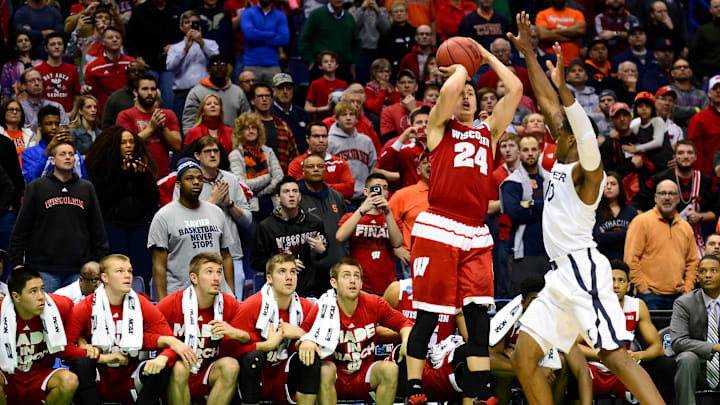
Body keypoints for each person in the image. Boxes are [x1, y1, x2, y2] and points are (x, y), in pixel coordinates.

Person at [508, 13, 664, 404]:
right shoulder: (561, 154)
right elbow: (547, 104)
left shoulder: (589, 172)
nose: (554, 123)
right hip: (558, 276)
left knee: (616, 357)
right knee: (525, 361)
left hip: (582, 269)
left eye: (565, 125)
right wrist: (528, 52)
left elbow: (581, 128)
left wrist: (567, 92)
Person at [404, 23, 522, 404]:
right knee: (429, 313)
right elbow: (452, 90)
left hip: (474, 229)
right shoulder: (439, 128)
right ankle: (414, 388)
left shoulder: (488, 133)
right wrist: (460, 71)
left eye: (473, 94)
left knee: (477, 315)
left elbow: (516, 89)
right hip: (439, 224)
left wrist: (487, 58)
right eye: (463, 93)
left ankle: (480, 391)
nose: (467, 97)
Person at [65, 253, 195, 405]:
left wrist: (162, 357)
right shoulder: (85, 307)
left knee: (161, 365)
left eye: (130, 271)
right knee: (81, 363)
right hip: (97, 375)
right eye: (120, 271)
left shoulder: (141, 304)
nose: (127, 276)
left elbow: (171, 341)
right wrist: (101, 356)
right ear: (105, 278)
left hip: (130, 375)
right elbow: (64, 348)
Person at [299, 258, 413, 404]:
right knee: (324, 370)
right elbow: (301, 337)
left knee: (390, 369)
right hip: (334, 377)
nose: (352, 280)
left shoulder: (374, 303)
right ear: (334, 283)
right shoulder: (323, 308)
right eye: (346, 275)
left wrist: (406, 338)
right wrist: (306, 341)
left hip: (364, 374)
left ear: (361, 283)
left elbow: (405, 323)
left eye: (356, 276)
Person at [10, 138, 107, 293]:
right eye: (62, 154)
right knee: (47, 315)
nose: (68, 157)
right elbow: (22, 228)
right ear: (53, 160)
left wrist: (99, 261)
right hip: (43, 268)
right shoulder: (37, 187)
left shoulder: (86, 188)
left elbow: (97, 229)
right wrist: (17, 262)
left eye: (71, 154)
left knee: (77, 315)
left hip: (79, 268)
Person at [573, 259, 673, 402]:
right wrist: (603, 356)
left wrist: (640, 355)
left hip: (623, 367)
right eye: (611, 280)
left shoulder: (637, 306)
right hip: (593, 367)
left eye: (621, 281)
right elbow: (571, 345)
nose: (615, 285)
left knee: (664, 365)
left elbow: (658, 348)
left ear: (628, 286)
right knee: (569, 366)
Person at [157, 252, 248, 405]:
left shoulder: (230, 304)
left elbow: (250, 336)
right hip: (176, 374)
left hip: (209, 372)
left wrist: (234, 332)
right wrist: (172, 344)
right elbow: (148, 333)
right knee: (180, 367)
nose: (216, 278)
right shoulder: (171, 304)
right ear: (194, 278)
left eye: (219, 272)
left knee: (230, 366)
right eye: (209, 272)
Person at [170, 136, 252, 296]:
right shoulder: (185, 182)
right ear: (197, 156)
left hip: (231, 255)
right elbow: (178, 221)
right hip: (196, 257)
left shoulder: (231, 180)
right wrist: (212, 202)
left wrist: (229, 203)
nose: (213, 155)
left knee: (233, 307)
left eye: (216, 151)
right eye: (208, 151)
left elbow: (247, 220)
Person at [490, 276, 590, 405]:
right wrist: (530, 368)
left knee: (562, 363)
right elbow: (490, 359)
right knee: (502, 372)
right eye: (535, 300)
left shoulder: (558, 320)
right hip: (513, 371)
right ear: (523, 303)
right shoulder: (510, 319)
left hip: (544, 372)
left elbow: (582, 370)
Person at [235, 253, 319, 404]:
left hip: (284, 372)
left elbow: (324, 348)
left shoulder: (305, 306)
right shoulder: (251, 306)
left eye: (293, 272)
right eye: (282, 271)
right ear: (269, 279)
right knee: (252, 358)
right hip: (254, 374)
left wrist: (302, 334)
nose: (289, 277)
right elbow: (226, 350)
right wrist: (265, 345)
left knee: (310, 355)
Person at [148, 157, 236, 300]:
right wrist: (163, 304)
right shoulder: (164, 216)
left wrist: (231, 294)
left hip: (216, 294)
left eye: (199, 178)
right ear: (178, 184)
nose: (196, 182)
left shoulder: (216, 212)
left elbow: (226, 256)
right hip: (180, 295)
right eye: (189, 178)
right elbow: (159, 266)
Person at [85, 126, 159, 285]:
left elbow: (153, 200)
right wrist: (121, 175)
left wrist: (142, 177)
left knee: (140, 273)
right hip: (114, 228)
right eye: (123, 142)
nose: (128, 145)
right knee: (116, 272)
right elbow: (102, 201)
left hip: (139, 229)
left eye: (131, 142)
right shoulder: (104, 170)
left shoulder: (143, 169)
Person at [0, 267, 77, 405]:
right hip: (8, 376)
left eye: (42, 289)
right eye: (33, 291)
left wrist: (80, 340)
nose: (42, 296)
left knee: (69, 380)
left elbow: (78, 313)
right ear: (16, 297)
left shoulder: (55, 306)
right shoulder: (1, 313)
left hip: (40, 374)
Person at [632, 140, 718, 253]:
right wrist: (651, 224)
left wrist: (700, 216)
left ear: (696, 157)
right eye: (681, 153)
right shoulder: (659, 179)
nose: (685, 156)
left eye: (689, 153)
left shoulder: (705, 181)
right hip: (661, 240)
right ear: (675, 157)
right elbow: (636, 205)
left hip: (693, 241)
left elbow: (716, 212)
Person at [625, 179, 699, 310]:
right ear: (655, 198)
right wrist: (643, 288)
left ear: (678, 199)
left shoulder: (686, 227)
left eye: (671, 194)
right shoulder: (641, 222)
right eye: (663, 193)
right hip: (650, 297)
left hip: (679, 297)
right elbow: (631, 259)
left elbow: (693, 262)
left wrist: (687, 290)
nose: (667, 197)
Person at [250, 177, 328, 297]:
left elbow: (325, 255)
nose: (291, 195)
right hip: (278, 291)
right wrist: (284, 265)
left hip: (309, 290)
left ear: (300, 196)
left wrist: (322, 251)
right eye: (286, 192)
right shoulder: (266, 227)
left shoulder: (314, 222)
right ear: (277, 197)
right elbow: (256, 262)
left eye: (295, 191)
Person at [500, 135, 551, 296]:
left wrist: (532, 204)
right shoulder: (511, 183)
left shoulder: (552, 180)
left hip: (550, 251)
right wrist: (546, 208)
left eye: (534, 149)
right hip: (523, 253)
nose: (530, 153)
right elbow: (515, 214)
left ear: (540, 152)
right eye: (526, 150)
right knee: (523, 301)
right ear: (519, 153)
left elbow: (559, 210)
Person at [336, 173, 403, 295]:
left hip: (387, 285)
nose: (381, 191)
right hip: (359, 285)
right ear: (366, 192)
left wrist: (387, 212)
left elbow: (397, 243)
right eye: (377, 187)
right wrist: (362, 210)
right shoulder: (351, 217)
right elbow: (340, 237)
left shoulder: (393, 219)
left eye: (385, 188)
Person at [669, 253, 720, 405]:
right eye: (703, 271)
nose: (708, 275)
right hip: (698, 365)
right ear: (697, 277)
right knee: (687, 358)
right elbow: (678, 341)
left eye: (713, 270)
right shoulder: (684, 303)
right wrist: (714, 347)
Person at [116, 74, 182, 178]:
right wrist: (151, 128)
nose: (150, 93)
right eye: (145, 89)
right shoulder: (125, 115)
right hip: (135, 175)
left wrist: (163, 128)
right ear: (135, 92)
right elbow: (126, 146)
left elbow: (177, 146)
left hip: (163, 176)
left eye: (153, 89)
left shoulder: (167, 114)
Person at [298, 154, 349, 287]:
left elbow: (345, 229)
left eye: (320, 166)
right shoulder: (296, 198)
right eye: (311, 166)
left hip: (336, 268)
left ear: (325, 171)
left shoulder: (337, 197)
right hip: (308, 272)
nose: (316, 169)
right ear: (303, 171)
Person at [126, 0, 183, 110]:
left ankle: (168, 125)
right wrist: (137, 56)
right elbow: (130, 37)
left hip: (168, 65)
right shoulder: (139, 10)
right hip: (146, 64)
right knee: (146, 98)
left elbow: (184, 37)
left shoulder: (177, 11)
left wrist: (174, 46)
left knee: (169, 102)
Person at [166, 10, 220, 122]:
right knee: (182, 128)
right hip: (182, 94)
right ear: (181, 27)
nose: (190, 25)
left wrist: (201, 43)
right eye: (187, 22)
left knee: (207, 126)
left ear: (199, 26)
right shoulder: (175, 48)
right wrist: (185, 49)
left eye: (194, 22)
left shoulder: (211, 44)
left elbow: (217, 62)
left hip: (206, 93)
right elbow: (171, 68)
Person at [228, 112, 284, 217]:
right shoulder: (235, 155)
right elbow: (242, 185)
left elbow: (279, 178)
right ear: (240, 132)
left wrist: (258, 192)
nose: (251, 131)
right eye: (246, 128)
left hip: (273, 203)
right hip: (251, 207)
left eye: (254, 127)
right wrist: (268, 177)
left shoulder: (268, 151)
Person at [182, 55, 250, 134]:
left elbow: (247, 119)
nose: (219, 67)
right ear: (208, 70)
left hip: (234, 142)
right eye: (215, 64)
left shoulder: (238, 92)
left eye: (223, 64)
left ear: (228, 69)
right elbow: (189, 123)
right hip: (204, 143)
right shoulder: (196, 92)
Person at [287, 122, 355, 200]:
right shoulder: (297, 164)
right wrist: (336, 195)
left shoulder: (340, 163)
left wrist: (317, 186)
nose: (321, 140)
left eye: (324, 136)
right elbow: (298, 190)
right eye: (316, 136)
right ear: (307, 139)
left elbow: (349, 189)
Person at [298, 0, 360, 83]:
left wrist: (353, 63)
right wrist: (310, 61)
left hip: (343, 69)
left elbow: (356, 42)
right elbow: (304, 39)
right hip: (321, 69)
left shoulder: (349, 17)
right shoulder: (317, 15)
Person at [21, 105, 85, 184]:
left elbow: (83, 179)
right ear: (40, 126)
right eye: (49, 124)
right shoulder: (29, 153)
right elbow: (32, 180)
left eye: (57, 124)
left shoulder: (71, 152)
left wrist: (73, 149)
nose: (54, 127)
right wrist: (49, 149)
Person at [328, 101, 378, 202]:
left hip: (364, 197)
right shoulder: (329, 142)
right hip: (340, 198)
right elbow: (327, 173)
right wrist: (335, 196)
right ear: (336, 119)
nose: (348, 118)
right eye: (343, 115)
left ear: (356, 118)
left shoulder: (366, 141)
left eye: (352, 114)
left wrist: (371, 194)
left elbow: (373, 170)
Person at [84, 27, 136, 118]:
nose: (114, 40)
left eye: (117, 37)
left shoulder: (132, 63)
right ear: (103, 42)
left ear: (122, 41)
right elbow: (91, 95)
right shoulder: (94, 68)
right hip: (106, 115)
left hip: (130, 112)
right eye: (110, 37)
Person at [248, 83, 299, 173]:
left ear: (272, 100)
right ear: (252, 101)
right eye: (260, 96)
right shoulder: (246, 125)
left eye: (267, 96)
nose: (264, 99)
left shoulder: (282, 125)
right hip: (255, 177)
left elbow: (293, 156)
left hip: (281, 177)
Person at [376, 105, 430, 189]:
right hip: (411, 195)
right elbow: (383, 165)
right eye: (419, 122)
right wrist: (403, 137)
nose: (424, 125)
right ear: (411, 126)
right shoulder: (400, 145)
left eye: (427, 122)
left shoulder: (441, 145)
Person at [65, 4, 118, 86]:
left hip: (106, 86)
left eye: (107, 18)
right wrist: (77, 29)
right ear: (93, 21)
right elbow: (69, 53)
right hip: (85, 87)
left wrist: (106, 35)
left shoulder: (114, 43)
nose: (103, 20)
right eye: (100, 17)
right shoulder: (85, 42)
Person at [240, 0, 289, 84]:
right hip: (251, 64)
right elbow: (250, 35)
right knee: (250, 95)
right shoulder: (247, 13)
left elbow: (284, 39)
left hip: (273, 64)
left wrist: (257, 34)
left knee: (275, 95)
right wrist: (273, 33)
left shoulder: (280, 15)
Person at [594, 171, 637, 261]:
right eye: (606, 185)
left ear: (620, 188)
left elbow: (634, 237)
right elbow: (599, 239)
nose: (609, 187)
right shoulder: (596, 212)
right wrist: (624, 233)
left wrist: (607, 235)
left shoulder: (631, 212)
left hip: (627, 260)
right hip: (604, 261)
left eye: (613, 184)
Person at [35, 32, 81, 113]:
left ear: (63, 47)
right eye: (53, 44)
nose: (57, 47)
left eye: (59, 44)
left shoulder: (72, 70)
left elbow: (77, 96)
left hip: (67, 118)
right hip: (45, 118)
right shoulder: (37, 70)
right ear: (46, 48)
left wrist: (72, 113)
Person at [688, 74, 720, 182]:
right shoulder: (699, 119)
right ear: (709, 93)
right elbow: (695, 153)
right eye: (715, 88)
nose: (718, 91)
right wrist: (700, 179)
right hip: (710, 180)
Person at [18, 68, 69, 133]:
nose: (37, 83)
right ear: (23, 86)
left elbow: (65, 128)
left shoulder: (56, 106)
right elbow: (20, 132)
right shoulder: (19, 108)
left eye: (39, 80)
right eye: (32, 81)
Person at [271, 73, 312, 154]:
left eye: (288, 88)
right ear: (273, 90)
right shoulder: (268, 114)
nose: (285, 91)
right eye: (281, 88)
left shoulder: (303, 114)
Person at [101, 61, 147, 129]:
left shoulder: (152, 97)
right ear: (127, 74)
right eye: (133, 71)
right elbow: (106, 127)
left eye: (140, 71)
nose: (137, 74)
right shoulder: (115, 99)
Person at [376, 1, 415, 80]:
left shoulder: (414, 32)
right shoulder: (386, 35)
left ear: (407, 14)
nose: (399, 14)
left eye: (401, 11)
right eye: (396, 12)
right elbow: (383, 56)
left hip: (412, 70)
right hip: (393, 72)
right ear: (391, 15)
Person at [304, 51, 348, 121]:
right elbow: (307, 108)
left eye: (332, 61)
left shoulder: (343, 84)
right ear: (320, 66)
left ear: (337, 65)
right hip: (321, 122)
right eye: (326, 61)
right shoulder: (316, 84)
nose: (329, 63)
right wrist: (326, 108)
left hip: (339, 121)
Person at [1, 32, 42, 103]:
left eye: (26, 40)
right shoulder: (8, 66)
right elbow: (6, 91)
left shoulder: (40, 63)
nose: (24, 42)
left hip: (38, 102)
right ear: (15, 47)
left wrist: (28, 64)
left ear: (31, 45)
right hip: (17, 104)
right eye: (20, 41)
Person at [688, 0, 720, 82]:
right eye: (716, 7)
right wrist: (701, 74)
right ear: (710, 10)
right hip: (711, 76)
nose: (719, 9)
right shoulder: (703, 30)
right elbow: (693, 56)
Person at [0, 99, 37, 165]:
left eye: (17, 110)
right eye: (11, 109)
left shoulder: (30, 134)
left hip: (26, 173)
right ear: (4, 112)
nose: (14, 112)